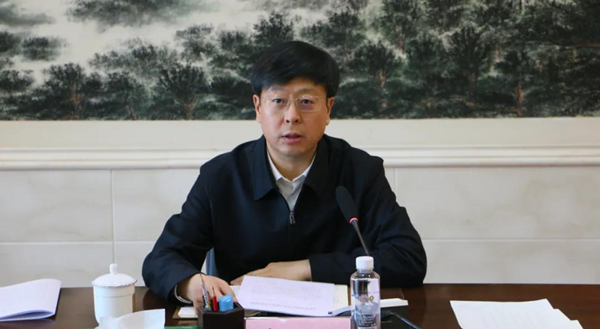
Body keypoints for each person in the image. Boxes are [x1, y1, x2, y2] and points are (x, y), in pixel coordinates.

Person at [142, 41, 426, 308]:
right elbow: (161, 260)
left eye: (306, 101)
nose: (292, 116)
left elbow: (407, 257)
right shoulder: (221, 176)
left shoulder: (360, 171)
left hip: (337, 328)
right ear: (258, 107)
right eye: (278, 100)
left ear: (328, 108)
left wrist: (304, 269)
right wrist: (192, 283)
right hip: (242, 328)